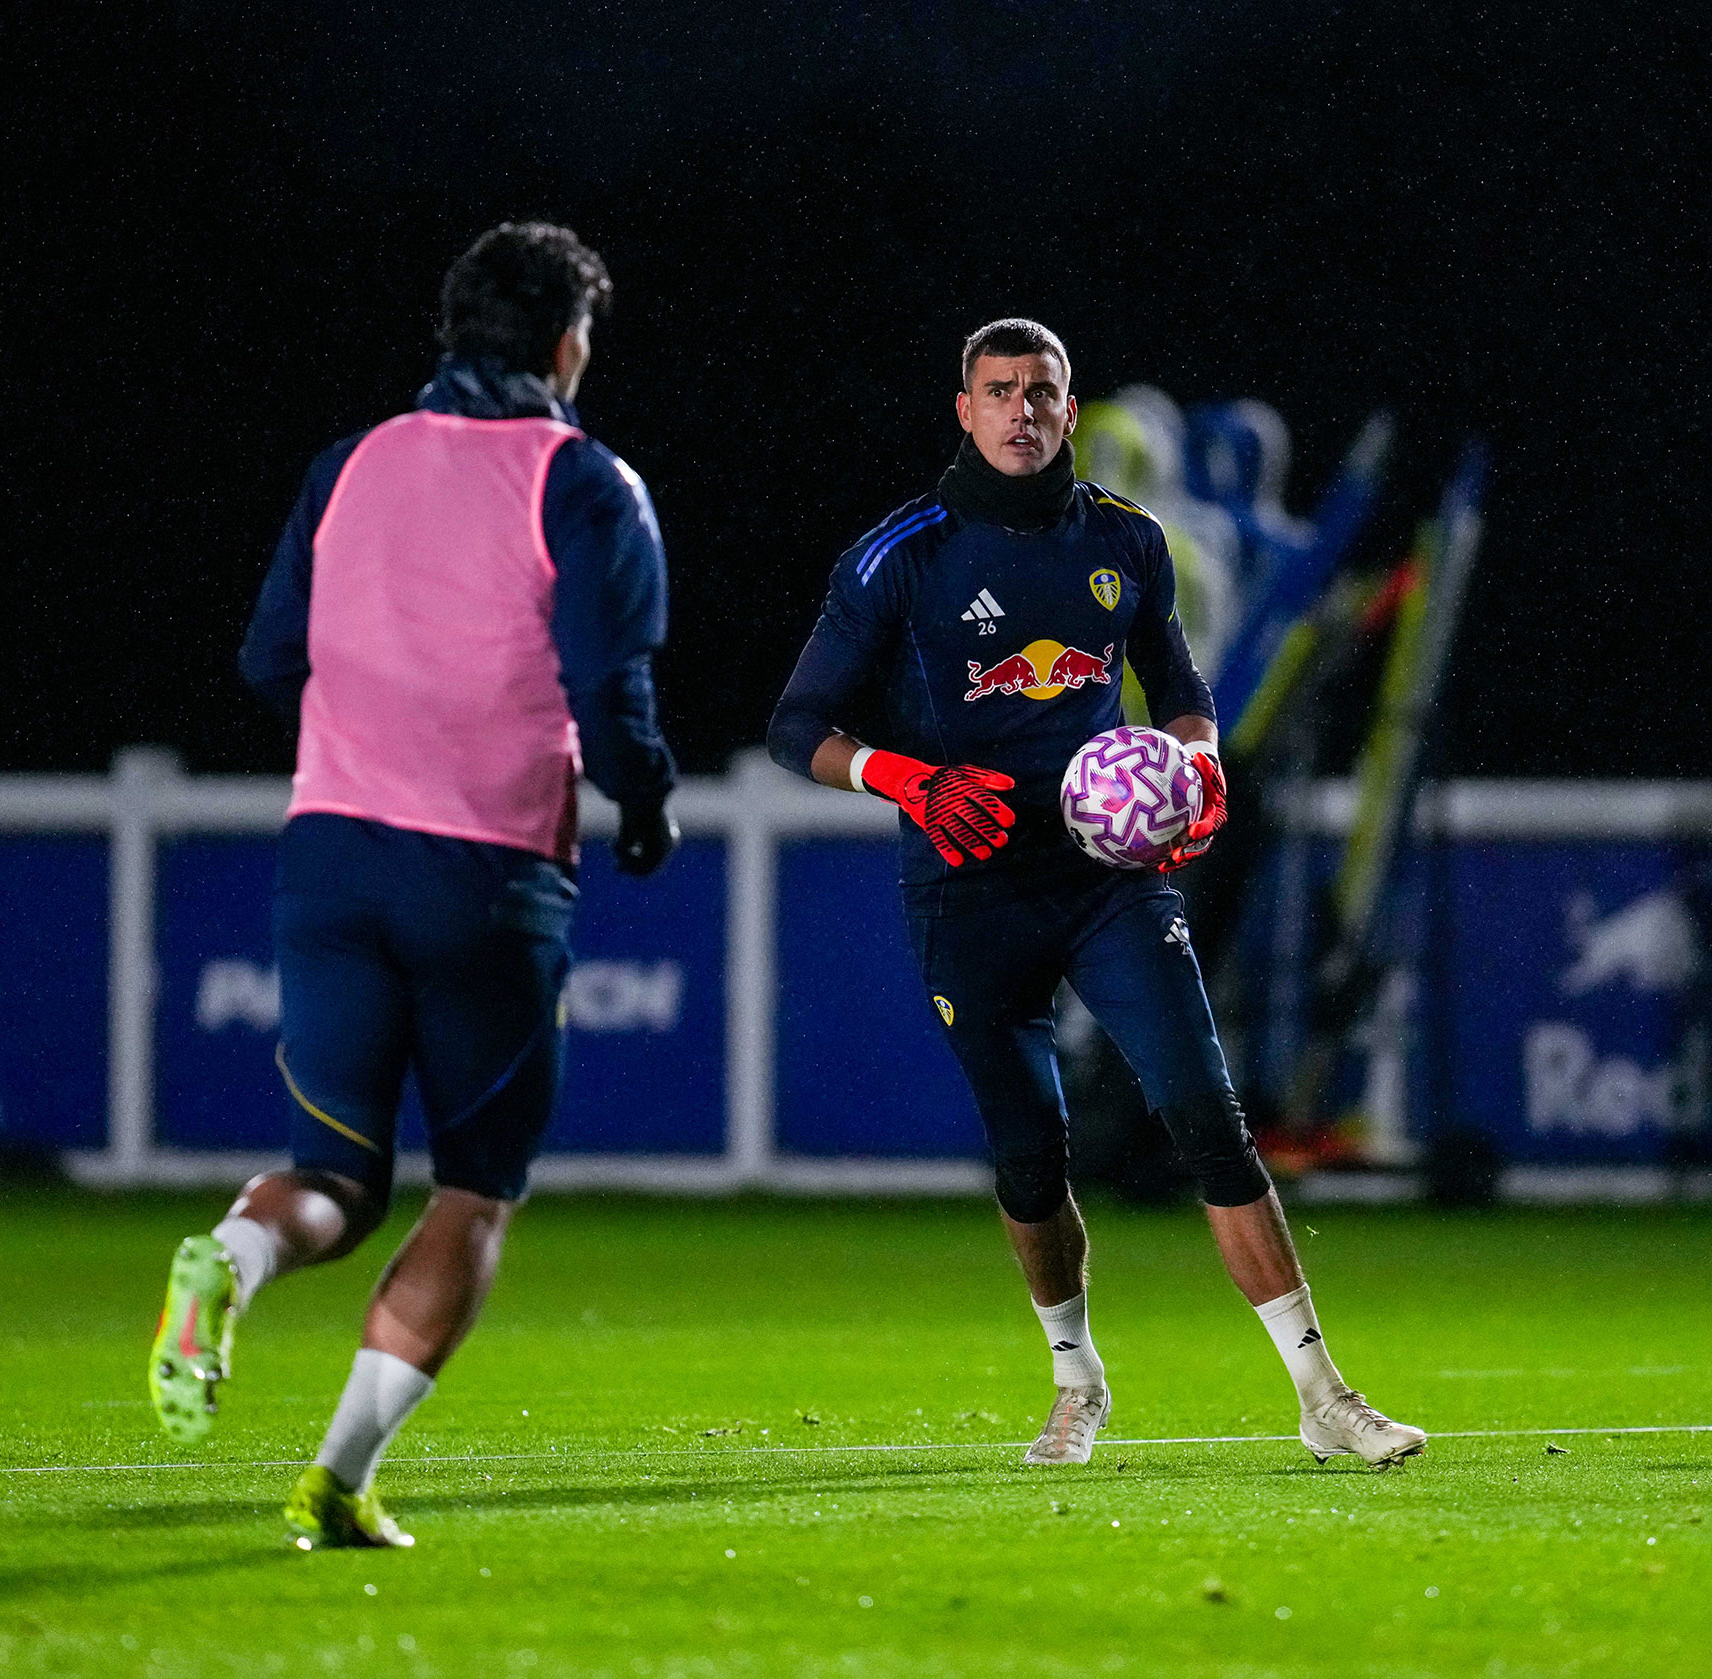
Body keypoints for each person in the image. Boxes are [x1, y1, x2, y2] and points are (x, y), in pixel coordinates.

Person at [766, 319, 1426, 1469]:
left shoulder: (1129, 540)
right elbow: (794, 727)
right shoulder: (900, 555)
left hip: (1109, 878)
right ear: (964, 411)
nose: (1022, 409)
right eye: (999, 390)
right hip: (967, 888)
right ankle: (1077, 1379)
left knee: (1208, 1118)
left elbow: (1180, 692)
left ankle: (1325, 1394)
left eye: (1043, 391)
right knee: (1029, 1154)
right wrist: (907, 777)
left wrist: (1200, 767)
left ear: (1072, 413)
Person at [148, 222, 682, 1548]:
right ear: (568, 342)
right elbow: (610, 694)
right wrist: (648, 802)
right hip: (490, 868)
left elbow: (273, 657)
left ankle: (235, 1254)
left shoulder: (351, 461)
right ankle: (336, 1477)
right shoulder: (584, 480)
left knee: (332, 1170)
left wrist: (370, 732)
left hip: (328, 852)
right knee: (475, 1184)